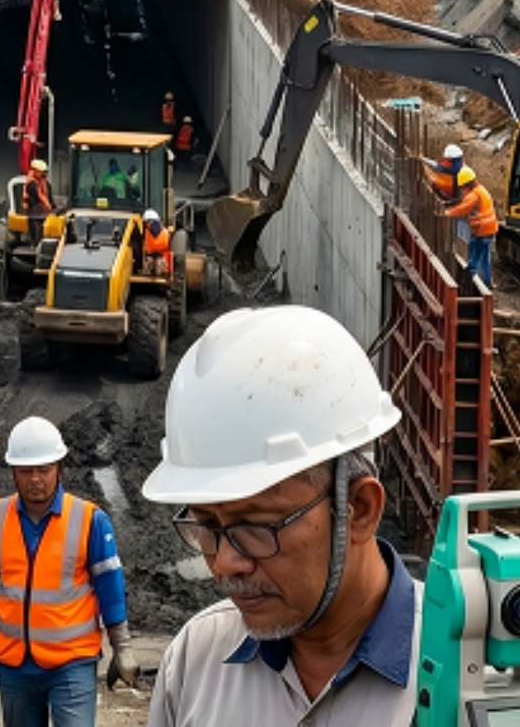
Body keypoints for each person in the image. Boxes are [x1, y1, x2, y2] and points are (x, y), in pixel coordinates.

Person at [143, 305, 413, 726]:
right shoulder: (194, 664)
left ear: (359, 510)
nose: (227, 564)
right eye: (208, 527)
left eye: (257, 526)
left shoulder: (470, 674)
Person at [0, 416, 136, 727]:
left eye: (43, 470)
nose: (35, 479)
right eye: (26, 471)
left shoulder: (90, 520)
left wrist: (124, 648)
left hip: (72, 663)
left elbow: (110, 589)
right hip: (15, 666)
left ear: (60, 469)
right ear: (13, 472)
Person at [444, 166, 497, 288]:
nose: (462, 190)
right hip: (490, 231)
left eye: (463, 187)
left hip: (480, 232)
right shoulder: (482, 190)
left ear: (467, 184)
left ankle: (464, 286)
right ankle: (488, 283)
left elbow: (463, 208)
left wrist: (448, 213)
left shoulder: (473, 195)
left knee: (473, 261)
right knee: (485, 259)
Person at [24, 159, 53, 247]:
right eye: (42, 172)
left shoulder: (46, 184)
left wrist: (51, 207)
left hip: (43, 208)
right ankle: (35, 242)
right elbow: (33, 200)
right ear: (35, 171)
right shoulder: (31, 184)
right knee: (35, 220)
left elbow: (49, 198)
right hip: (33, 209)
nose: (44, 174)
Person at [142, 208, 173, 276]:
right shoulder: (147, 233)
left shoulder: (165, 233)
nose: (148, 225)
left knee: (158, 264)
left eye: (149, 222)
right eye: (146, 223)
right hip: (151, 259)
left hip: (163, 260)